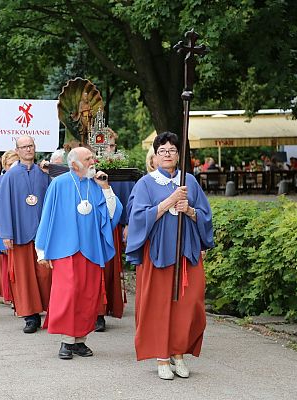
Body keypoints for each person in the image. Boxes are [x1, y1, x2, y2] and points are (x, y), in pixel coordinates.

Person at [125, 131, 214, 380]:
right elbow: (138, 218)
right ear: (155, 155)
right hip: (158, 254)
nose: (167, 155)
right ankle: (162, 356)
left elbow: (205, 216)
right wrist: (169, 202)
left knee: (189, 305)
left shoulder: (190, 182)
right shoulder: (145, 183)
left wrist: (191, 210)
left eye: (172, 151)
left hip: (186, 253)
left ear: (178, 155)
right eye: (162, 151)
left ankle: (178, 353)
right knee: (159, 306)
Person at [35, 146, 122, 359]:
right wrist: (42, 249)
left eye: (92, 157)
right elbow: (47, 215)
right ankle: (66, 340)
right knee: (67, 294)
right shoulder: (59, 184)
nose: (93, 161)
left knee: (88, 295)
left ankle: (81, 340)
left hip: (91, 248)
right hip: (65, 250)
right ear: (75, 164)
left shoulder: (97, 185)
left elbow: (111, 215)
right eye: (89, 158)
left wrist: (106, 188)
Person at [0, 135, 51, 334]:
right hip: (19, 234)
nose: (28, 149)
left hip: (41, 234)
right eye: (24, 146)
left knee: (45, 274)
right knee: (24, 277)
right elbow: (3, 206)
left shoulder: (43, 174)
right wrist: (6, 233)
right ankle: (30, 316)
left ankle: (48, 310)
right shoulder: (10, 175)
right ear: (17, 150)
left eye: (31, 146)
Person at [0, 150, 19, 306]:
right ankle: (10, 296)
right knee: (6, 265)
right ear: (5, 166)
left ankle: (19, 295)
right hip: (4, 228)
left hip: (21, 227)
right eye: (10, 164)